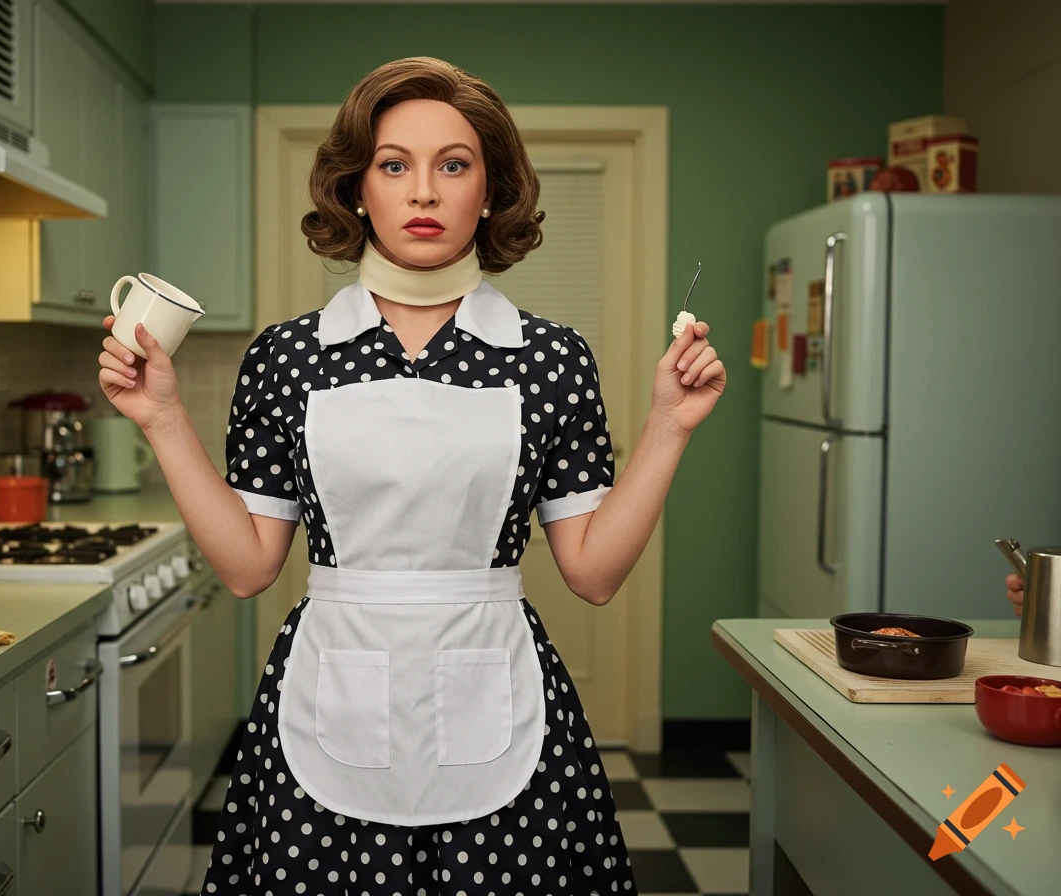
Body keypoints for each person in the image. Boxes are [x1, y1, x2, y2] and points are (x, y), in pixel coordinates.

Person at [97, 56, 726, 896]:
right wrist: (163, 419)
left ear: (492, 192)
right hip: (330, 699)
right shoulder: (286, 358)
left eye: (453, 165)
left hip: (496, 700)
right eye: (395, 165)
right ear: (358, 188)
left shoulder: (551, 358)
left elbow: (594, 574)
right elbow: (250, 568)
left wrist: (668, 427)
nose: (423, 192)